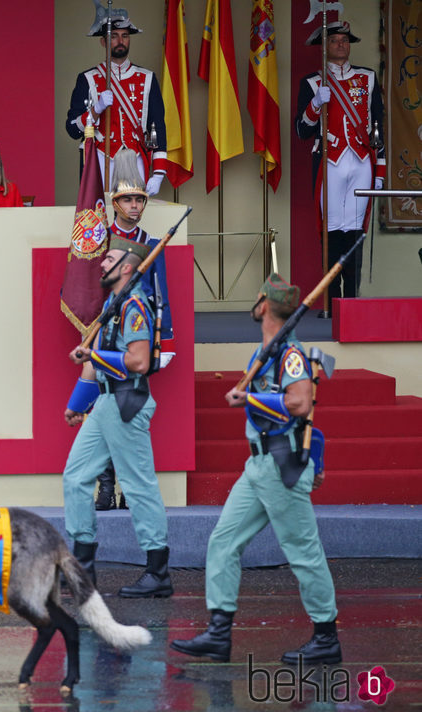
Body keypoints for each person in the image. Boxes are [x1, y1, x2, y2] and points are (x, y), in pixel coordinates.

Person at [171, 274, 341, 665]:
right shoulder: (268, 348)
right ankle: (218, 632)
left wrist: (249, 398)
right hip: (259, 465)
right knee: (223, 541)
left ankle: (326, 637)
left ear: (264, 304)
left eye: (257, 297)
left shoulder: (290, 353)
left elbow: (299, 403)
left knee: (303, 551)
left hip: (281, 464)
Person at [62, 236, 172, 598]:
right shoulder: (114, 302)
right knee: (76, 476)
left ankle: (158, 573)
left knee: (138, 485)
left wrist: (93, 357)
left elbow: (139, 362)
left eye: (109, 258)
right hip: (105, 403)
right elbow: (95, 363)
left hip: (127, 401)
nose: (101, 262)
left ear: (127, 266)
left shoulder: (135, 304)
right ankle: (83, 569)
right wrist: (77, 405)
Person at [93, 149, 176, 511]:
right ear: (115, 202)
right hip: (106, 334)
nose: (134, 206)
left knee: (132, 413)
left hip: (137, 336)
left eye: (139, 199)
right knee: (104, 409)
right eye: (127, 199)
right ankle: (106, 487)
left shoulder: (151, 242)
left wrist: (165, 339)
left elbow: (160, 295)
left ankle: (128, 488)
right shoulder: (99, 237)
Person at [295, 21, 385, 307]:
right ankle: (334, 303)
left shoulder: (367, 78)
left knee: (356, 229)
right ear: (325, 46)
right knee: (333, 229)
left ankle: (353, 301)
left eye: (344, 39)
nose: (340, 44)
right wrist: (315, 105)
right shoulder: (312, 82)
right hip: (330, 162)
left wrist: (380, 169)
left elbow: (378, 128)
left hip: (361, 162)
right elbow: (302, 130)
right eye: (334, 40)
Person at [65, 7, 166, 195]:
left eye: (125, 36)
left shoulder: (147, 78)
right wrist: (96, 110)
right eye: (114, 36)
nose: (121, 41)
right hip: (101, 158)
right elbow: (72, 128)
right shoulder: (87, 79)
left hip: (135, 158)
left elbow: (157, 125)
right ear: (103, 42)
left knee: (133, 214)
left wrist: (159, 172)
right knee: (100, 218)